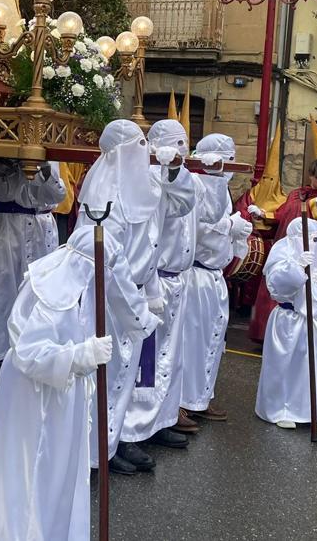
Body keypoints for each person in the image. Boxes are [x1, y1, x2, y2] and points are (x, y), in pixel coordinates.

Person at [0, 227, 146, 541]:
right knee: (33, 475)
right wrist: (80, 356)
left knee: (61, 475)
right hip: (35, 398)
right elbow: (27, 352)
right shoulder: (51, 293)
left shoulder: (79, 288)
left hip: (63, 395)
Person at [72, 119, 194, 476]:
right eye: (138, 147)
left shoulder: (146, 187)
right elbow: (107, 263)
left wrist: (175, 170)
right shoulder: (102, 199)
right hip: (110, 299)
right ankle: (93, 452)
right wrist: (136, 309)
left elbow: (179, 206)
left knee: (126, 375)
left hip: (137, 293)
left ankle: (114, 442)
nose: (146, 154)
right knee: (103, 376)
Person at [120, 120, 205, 452]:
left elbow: (187, 203)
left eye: (186, 144)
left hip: (177, 282)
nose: (182, 150)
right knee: (146, 362)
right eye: (176, 144)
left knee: (172, 357)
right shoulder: (147, 181)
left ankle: (161, 420)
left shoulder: (180, 177)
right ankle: (132, 428)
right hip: (155, 282)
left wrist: (176, 170)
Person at [0, 157, 66, 386]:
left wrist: (46, 174)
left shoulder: (48, 160)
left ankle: (19, 353)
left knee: (34, 295)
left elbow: (57, 195)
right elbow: (3, 190)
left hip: (39, 227)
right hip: (5, 225)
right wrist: (21, 168)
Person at [180, 133, 253, 428]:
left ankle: (201, 396)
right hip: (196, 274)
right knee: (190, 340)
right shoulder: (195, 184)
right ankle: (181, 401)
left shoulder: (222, 188)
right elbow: (193, 229)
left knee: (212, 338)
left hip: (214, 276)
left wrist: (239, 233)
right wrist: (228, 226)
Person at [247, 158, 317, 343]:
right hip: (291, 247)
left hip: (316, 254)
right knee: (283, 284)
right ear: (311, 176)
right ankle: (268, 332)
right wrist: (263, 214)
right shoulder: (297, 194)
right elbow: (284, 214)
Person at [255, 217, 317, 430]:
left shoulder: (313, 261)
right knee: (283, 365)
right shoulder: (282, 255)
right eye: (308, 238)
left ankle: (310, 409)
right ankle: (279, 408)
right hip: (289, 321)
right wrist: (296, 268)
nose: (312, 243)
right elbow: (277, 285)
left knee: (312, 367)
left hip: (313, 323)